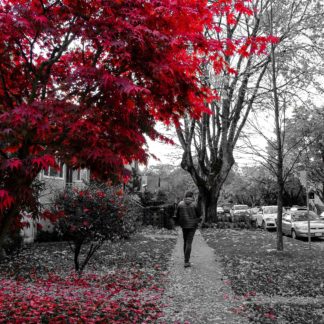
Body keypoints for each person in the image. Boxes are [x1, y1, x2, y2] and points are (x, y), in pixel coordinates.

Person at [174, 190, 201, 268]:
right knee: (189, 242)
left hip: (184, 225)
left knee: (185, 242)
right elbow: (199, 214)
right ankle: (186, 261)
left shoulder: (180, 204)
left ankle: (186, 260)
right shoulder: (194, 204)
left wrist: (179, 222)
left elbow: (177, 214)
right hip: (192, 226)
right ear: (192, 196)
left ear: (185, 196)